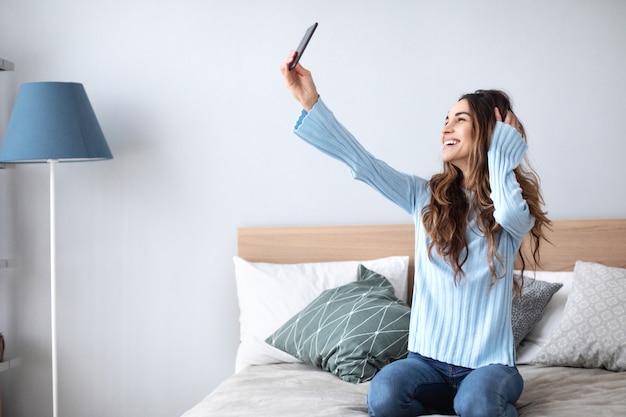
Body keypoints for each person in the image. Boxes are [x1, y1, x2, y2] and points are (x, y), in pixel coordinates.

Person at [280, 51, 550, 417]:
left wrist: (500, 152)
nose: (446, 127)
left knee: (476, 403)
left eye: (460, 120)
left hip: (489, 369)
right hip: (427, 364)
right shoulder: (423, 197)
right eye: (445, 120)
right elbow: (363, 164)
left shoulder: (512, 213)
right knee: (385, 393)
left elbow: (508, 210)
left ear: (489, 134)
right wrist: (310, 101)